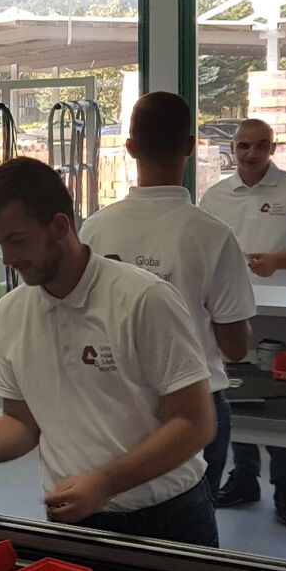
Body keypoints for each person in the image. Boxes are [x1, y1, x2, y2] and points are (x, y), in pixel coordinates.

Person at [0, 157, 219, 546]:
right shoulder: (12, 312)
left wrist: (105, 483)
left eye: (18, 241)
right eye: (0, 244)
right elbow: (21, 422)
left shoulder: (144, 299)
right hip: (72, 518)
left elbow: (194, 423)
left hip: (168, 520)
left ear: (59, 226)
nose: (9, 260)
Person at [79, 92, 254, 499]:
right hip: (193, 409)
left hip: (113, 402)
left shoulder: (94, 230)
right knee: (191, 517)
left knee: (115, 513)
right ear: (190, 146)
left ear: (130, 147)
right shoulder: (213, 235)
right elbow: (235, 348)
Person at [199, 118, 286, 526]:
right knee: (236, 393)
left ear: (273, 149)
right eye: (243, 146)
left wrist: (278, 261)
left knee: (278, 401)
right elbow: (200, 249)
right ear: (233, 148)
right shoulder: (215, 196)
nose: (251, 153)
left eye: (260, 146)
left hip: (284, 315)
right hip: (230, 311)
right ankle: (244, 477)